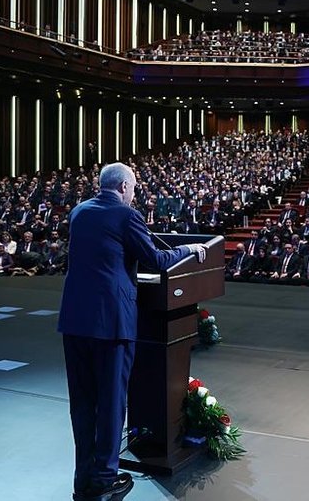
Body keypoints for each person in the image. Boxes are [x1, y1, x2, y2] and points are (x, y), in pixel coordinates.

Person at [58, 163, 208, 501]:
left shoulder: (79, 212)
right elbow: (156, 258)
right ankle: (105, 480)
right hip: (110, 322)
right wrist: (191, 250)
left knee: (83, 404)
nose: (135, 194)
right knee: (111, 402)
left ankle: (84, 479)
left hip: (75, 321)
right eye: (135, 188)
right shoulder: (127, 216)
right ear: (124, 186)